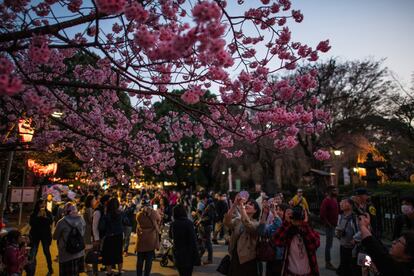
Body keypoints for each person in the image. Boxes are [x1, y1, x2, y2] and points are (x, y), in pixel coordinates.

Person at [273, 205, 321, 276]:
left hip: (308, 273)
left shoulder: (308, 230)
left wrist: (304, 224)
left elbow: (315, 244)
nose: (297, 218)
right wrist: (287, 222)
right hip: (290, 273)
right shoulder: (288, 233)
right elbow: (276, 240)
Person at [224, 194, 261, 276]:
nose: (247, 204)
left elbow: (248, 224)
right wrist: (234, 205)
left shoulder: (257, 224)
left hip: (247, 259)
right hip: (235, 256)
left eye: (251, 204)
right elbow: (227, 222)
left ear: (255, 211)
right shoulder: (238, 220)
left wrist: (241, 206)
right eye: (247, 203)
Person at [53, 202, 86, 276]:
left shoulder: (61, 222)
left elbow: (55, 237)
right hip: (78, 251)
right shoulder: (81, 219)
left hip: (66, 252)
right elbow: (83, 233)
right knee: (76, 273)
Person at [258, 201, 287, 276]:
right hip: (271, 257)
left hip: (283, 259)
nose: (278, 211)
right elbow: (262, 232)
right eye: (277, 209)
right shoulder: (273, 224)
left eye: (280, 210)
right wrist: (264, 214)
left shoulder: (288, 225)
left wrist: (274, 212)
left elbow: (281, 226)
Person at [170, 204, 200, 276]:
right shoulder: (189, 223)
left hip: (178, 253)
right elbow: (193, 240)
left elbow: (171, 236)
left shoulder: (173, 224)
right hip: (188, 254)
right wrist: (197, 256)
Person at [135, 198, 161, 276]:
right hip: (151, 238)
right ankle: (147, 274)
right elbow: (159, 219)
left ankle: (139, 274)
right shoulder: (153, 213)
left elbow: (137, 222)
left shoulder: (138, 214)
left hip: (141, 237)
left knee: (140, 260)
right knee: (149, 260)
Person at [29, 199, 53, 275]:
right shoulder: (34, 213)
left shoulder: (48, 213)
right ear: (38, 205)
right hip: (35, 235)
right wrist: (37, 217)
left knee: (46, 252)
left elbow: (51, 222)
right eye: (41, 204)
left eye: (44, 204)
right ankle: (31, 270)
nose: (43, 205)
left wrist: (45, 217)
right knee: (33, 252)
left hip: (45, 235)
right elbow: (31, 223)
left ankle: (50, 268)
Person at [335, 198, 358, 276]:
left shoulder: (355, 218)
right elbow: (338, 228)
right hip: (343, 246)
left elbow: (361, 231)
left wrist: (355, 239)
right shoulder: (340, 217)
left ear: (350, 205)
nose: (341, 204)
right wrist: (337, 233)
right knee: (344, 268)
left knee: (352, 269)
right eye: (341, 202)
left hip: (353, 248)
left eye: (344, 202)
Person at [101, 197, 124, 275]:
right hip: (119, 236)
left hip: (110, 236)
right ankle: (120, 271)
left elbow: (102, 227)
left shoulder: (107, 215)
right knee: (118, 253)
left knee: (108, 255)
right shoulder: (120, 213)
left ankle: (109, 272)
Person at [319, 185, 339, 270]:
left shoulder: (334, 200)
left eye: (336, 190)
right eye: (334, 190)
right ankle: (328, 263)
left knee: (332, 244)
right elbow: (322, 215)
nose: (336, 192)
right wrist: (328, 224)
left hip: (335, 225)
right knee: (329, 245)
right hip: (329, 226)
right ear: (330, 191)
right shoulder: (326, 201)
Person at [197, 196, 215, 265]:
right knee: (204, 242)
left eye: (203, 199)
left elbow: (209, 217)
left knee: (206, 243)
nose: (203, 201)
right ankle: (199, 257)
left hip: (206, 226)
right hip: (206, 226)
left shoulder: (210, 206)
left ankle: (208, 259)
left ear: (206, 198)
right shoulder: (209, 206)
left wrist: (201, 220)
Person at [82, 195, 94, 272]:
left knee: (85, 248)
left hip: (85, 229)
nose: (94, 201)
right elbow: (90, 220)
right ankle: (85, 265)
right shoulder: (89, 209)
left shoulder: (84, 208)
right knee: (87, 248)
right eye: (93, 199)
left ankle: (85, 265)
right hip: (88, 230)